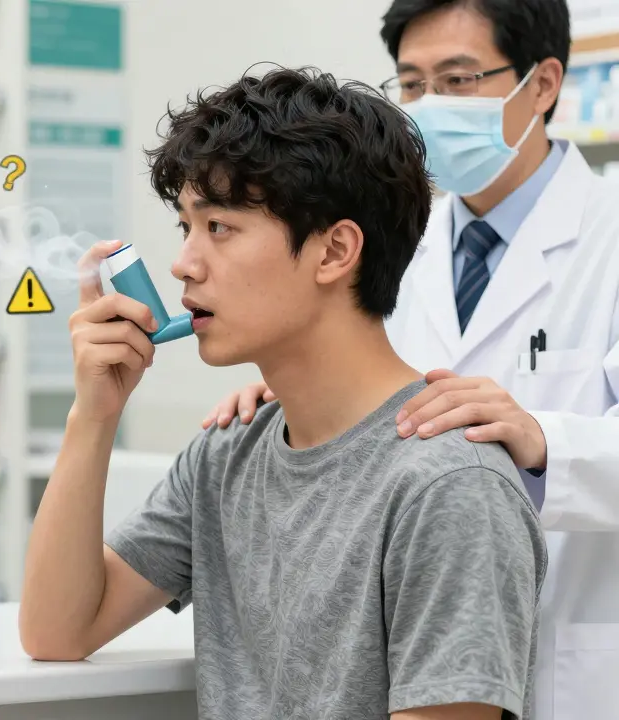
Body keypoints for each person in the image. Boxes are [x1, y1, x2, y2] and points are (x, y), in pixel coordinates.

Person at [20, 66, 547, 720]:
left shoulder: (449, 487)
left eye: (218, 227)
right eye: (186, 226)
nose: (183, 262)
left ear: (335, 252)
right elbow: (56, 631)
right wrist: (93, 414)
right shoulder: (226, 456)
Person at [204, 2, 619, 717]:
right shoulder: (399, 244)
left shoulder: (607, 238)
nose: (431, 108)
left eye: (458, 80)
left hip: (577, 669)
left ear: (544, 83)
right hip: (416, 663)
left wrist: (548, 441)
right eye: (414, 84)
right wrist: (295, 391)